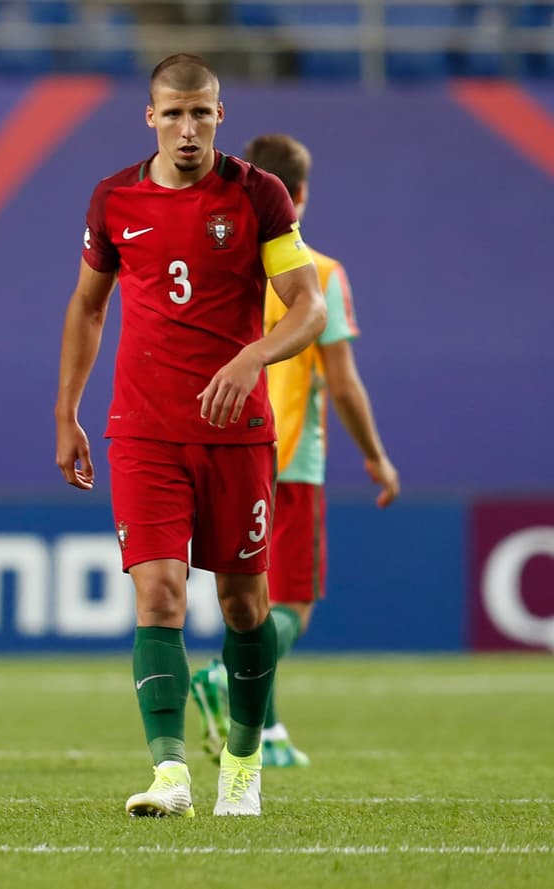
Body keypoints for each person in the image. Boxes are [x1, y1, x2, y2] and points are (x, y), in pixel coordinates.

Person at [54, 54, 326, 818]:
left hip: (237, 435)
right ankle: (170, 771)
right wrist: (65, 410)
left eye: (201, 112)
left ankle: (242, 764)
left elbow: (306, 306)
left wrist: (253, 354)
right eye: (173, 113)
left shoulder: (257, 195)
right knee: (160, 591)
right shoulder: (114, 199)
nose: (187, 127)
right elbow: (86, 305)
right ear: (150, 117)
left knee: (244, 604)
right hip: (143, 431)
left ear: (219, 116)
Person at [190, 133, 400, 769]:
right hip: (289, 456)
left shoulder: (222, 259)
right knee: (290, 608)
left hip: (222, 446)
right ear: (300, 193)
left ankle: (269, 732)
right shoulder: (322, 272)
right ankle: (229, 680)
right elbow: (342, 382)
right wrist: (376, 456)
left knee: (250, 597)